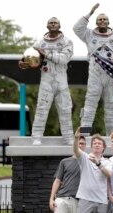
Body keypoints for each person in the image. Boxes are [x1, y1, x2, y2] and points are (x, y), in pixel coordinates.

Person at [73, 3, 113, 136]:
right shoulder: (89, 34)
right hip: (95, 74)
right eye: (99, 20)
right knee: (90, 104)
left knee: (111, 106)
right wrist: (89, 14)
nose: (102, 21)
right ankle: (84, 134)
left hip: (111, 74)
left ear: (108, 22)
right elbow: (76, 28)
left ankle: (112, 136)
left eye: (104, 19)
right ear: (96, 23)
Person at [18, 17, 74, 146]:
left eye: (55, 23)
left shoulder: (67, 42)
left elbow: (64, 59)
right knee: (41, 109)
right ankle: (36, 137)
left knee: (65, 110)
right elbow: (31, 59)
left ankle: (68, 137)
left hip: (61, 82)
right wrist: (23, 63)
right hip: (46, 80)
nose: (53, 24)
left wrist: (46, 54)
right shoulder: (39, 43)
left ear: (60, 26)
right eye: (51, 23)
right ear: (47, 26)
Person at [73, 127, 112, 213]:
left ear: (103, 147)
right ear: (91, 146)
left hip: (101, 201)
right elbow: (76, 150)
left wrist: (98, 164)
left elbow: (109, 174)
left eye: (99, 143)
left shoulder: (107, 162)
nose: (97, 145)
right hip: (85, 199)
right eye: (94, 143)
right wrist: (76, 138)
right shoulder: (85, 157)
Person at [49, 135, 87, 213]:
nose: (80, 145)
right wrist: (51, 199)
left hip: (77, 201)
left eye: (82, 143)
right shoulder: (64, 162)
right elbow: (57, 181)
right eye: (78, 143)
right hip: (61, 199)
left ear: (85, 146)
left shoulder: (88, 162)